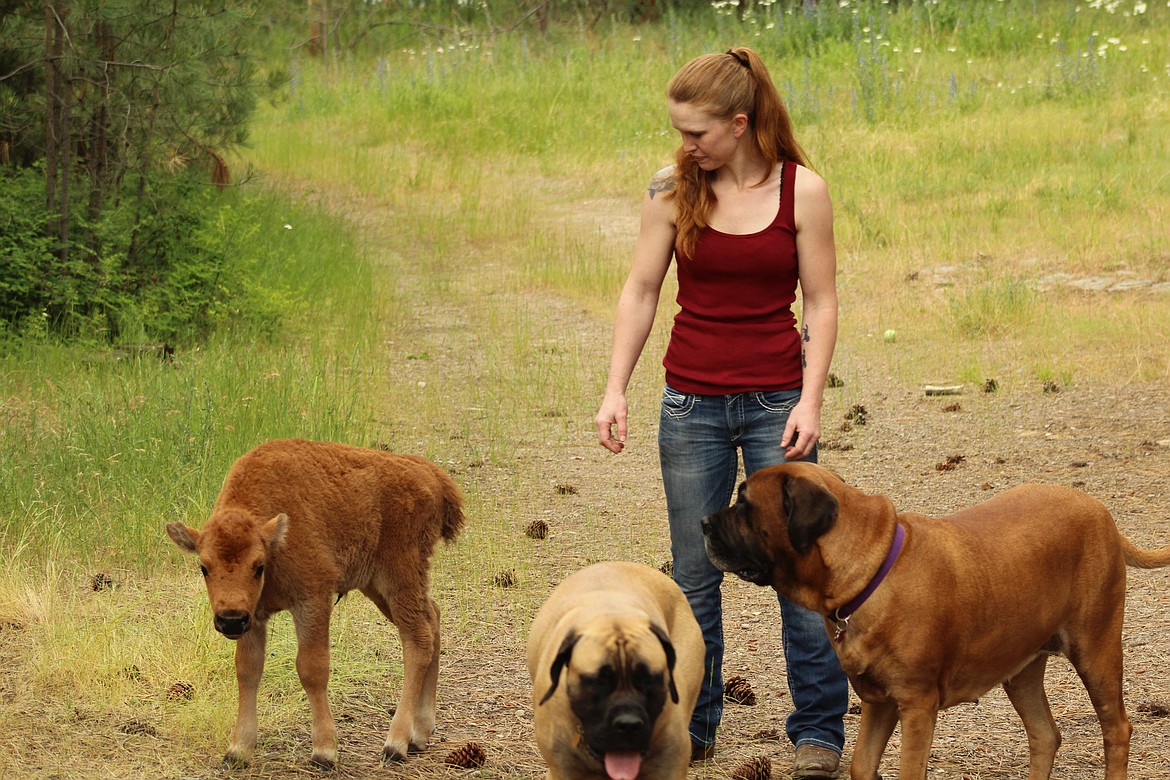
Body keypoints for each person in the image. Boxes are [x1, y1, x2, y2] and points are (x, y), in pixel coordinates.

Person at [593, 47, 848, 778]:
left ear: (740, 124)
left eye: (698, 133)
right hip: (691, 404)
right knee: (696, 573)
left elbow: (822, 302)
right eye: (679, 132)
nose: (686, 145)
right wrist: (616, 388)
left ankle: (820, 733)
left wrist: (811, 400)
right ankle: (691, 725)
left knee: (800, 563)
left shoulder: (803, 192)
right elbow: (640, 291)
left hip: (777, 404)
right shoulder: (672, 188)